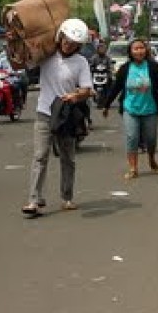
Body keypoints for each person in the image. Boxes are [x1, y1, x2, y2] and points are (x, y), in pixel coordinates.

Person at [22, 18, 93, 216]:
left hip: (66, 115)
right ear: (60, 36)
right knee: (40, 156)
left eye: (73, 43)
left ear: (79, 46)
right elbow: (22, 59)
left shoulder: (81, 62)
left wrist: (75, 95)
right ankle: (34, 200)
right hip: (44, 112)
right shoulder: (46, 55)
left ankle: (67, 197)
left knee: (67, 158)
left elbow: (88, 90)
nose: (68, 44)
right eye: (66, 40)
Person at [103, 38, 158, 179]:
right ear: (130, 51)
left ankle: (151, 158)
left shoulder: (153, 67)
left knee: (151, 139)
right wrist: (107, 104)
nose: (139, 51)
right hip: (130, 109)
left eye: (141, 48)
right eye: (136, 48)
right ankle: (133, 167)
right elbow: (116, 88)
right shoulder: (125, 69)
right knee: (132, 137)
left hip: (150, 109)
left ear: (146, 50)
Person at [89, 41, 113, 109]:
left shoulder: (107, 58)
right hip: (96, 75)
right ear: (97, 49)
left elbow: (110, 66)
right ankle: (94, 94)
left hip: (105, 75)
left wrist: (110, 70)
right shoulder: (94, 57)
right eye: (100, 48)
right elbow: (90, 65)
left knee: (111, 82)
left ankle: (108, 97)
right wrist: (92, 69)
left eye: (103, 49)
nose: (102, 50)